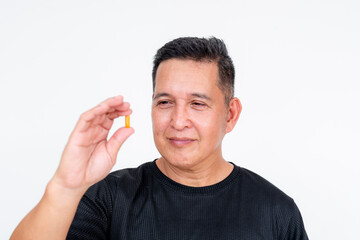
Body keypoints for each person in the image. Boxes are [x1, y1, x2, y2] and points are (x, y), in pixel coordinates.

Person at [10, 37, 308, 240]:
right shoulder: (110, 199)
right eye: (165, 102)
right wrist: (67, 186)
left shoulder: (276, 212)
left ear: (230, 114)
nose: (178, 122)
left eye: (198, 104)